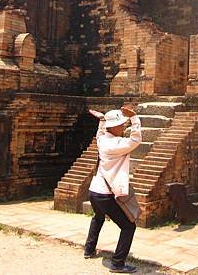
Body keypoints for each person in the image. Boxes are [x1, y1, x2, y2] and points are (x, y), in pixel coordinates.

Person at [84, 106, 141, 274]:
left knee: (98, 217)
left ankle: (89, 249)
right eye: (121, 125)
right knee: (128, 227)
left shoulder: (103, 140)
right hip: (105, 194)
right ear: (113, 127)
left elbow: (100, 133)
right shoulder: (116, 144)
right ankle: (117, 263)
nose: (123, 127)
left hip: (94, 191)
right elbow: (135, 140)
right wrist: (135, 118)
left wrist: (102, 120)